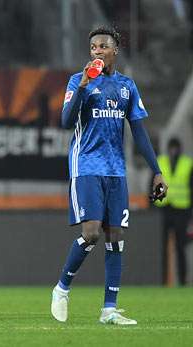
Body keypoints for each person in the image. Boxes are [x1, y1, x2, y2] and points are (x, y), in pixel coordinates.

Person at [51, 27, 168, 325]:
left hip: (116, 169)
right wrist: (83, 87)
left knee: (116, 238)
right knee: (91, 233)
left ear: (115, 50)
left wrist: (156, 171)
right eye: (93, 47)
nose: (97, 51)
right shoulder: (79, 81)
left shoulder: (127, 86)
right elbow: (65, 121)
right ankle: (62, 288)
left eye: (103, 46)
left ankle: (109, 310)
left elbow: (139, 133)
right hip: (87, 165)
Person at [155, 138, 192, 286]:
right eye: (171, 148)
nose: (173, 151)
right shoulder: (161, 161)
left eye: (175, 148)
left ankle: (182, 281)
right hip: (164, 209)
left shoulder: (187, 164)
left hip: (182, 210)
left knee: (181, 247)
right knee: (162, 248)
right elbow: (154, 182)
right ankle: (163, 281)